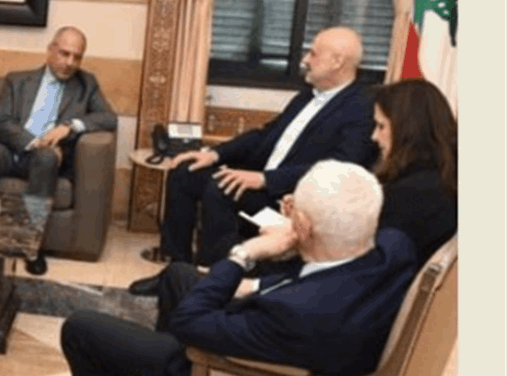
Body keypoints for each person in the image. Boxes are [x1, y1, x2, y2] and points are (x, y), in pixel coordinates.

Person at [62, 161, 418, 376]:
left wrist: (244, 255)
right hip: (299, 330)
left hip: (220, 363)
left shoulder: (296, 313)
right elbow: (322, 272)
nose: (287, 206)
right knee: (179, 274)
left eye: (292, 206)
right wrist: (281, 259)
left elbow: (189, 321)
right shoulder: (395, 248)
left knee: (81, 327)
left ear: (304, 226)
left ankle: (171, 364)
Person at [130, 26, 378, 295]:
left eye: (313, 54)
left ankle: (212, 282)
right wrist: (213, 154)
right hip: (261, 182)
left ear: (337, 61)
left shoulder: (362, 107)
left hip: (287, 200)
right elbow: (264, 135)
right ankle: (177, 270)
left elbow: (339, 168)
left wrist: (264, 180)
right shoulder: (307, 95)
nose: (305, 59)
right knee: (185, 171)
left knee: (222, 188)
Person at [0, 26, 117, 275]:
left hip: (43, 158)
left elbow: (109, 118)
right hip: (10, 149)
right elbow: (1, 122)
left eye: (77, 57)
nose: (70, 63)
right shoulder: (17, 80)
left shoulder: (86, 84)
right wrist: (34, 141)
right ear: (50, 50)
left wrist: (69, 127)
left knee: (46, 158)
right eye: (65, 54)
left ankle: (30, 245)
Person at [371, 78, 458, 265]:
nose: (374, 136)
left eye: (381, 126)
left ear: (406, 129)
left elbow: (372, 266)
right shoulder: (442, 179)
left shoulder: (408, 195)